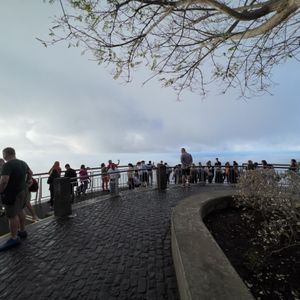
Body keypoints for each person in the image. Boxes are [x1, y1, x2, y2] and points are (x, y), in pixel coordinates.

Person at [0, 147, 33, 250]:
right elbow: (30, 172)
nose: (3, 156)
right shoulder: (23, 162)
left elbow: (4, 181)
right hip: (22, 191)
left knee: (12, 216)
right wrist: (28, 181)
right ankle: (22, 231)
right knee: (20, 211)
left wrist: (0, 191)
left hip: (11, 194)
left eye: (3, 154)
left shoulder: (7, 165)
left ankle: (14, 238)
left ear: (6, 154)